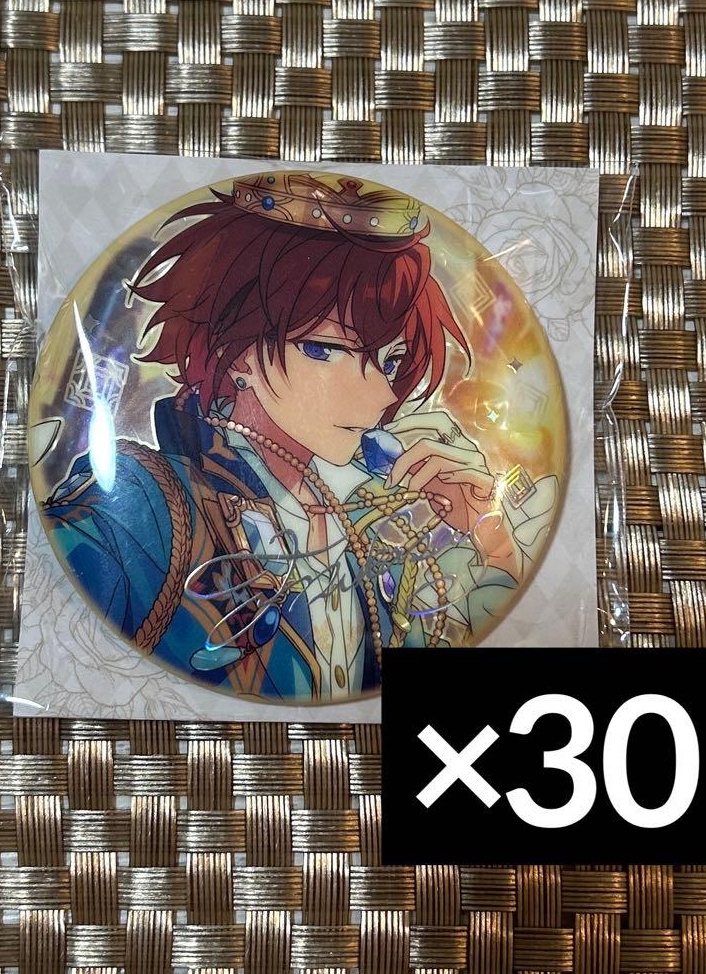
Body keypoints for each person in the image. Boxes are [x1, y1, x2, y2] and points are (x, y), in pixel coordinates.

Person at [41, 171, 534, 703]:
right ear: (236, 353)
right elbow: (56, 637)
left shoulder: (368, 529)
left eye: (390, 362)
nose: (380, 397)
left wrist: (493, 543)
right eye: (326, 350)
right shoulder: (140, 504)